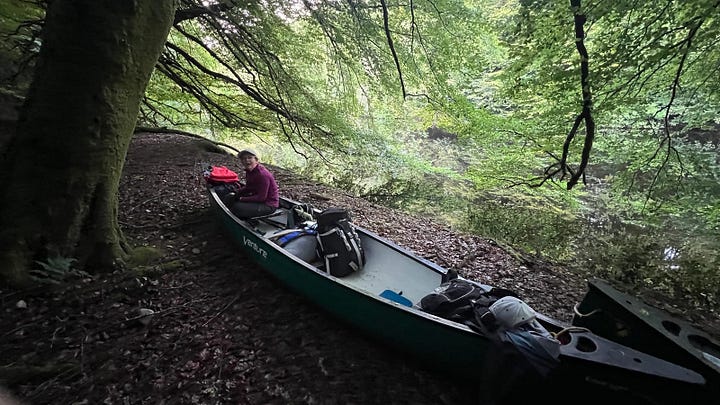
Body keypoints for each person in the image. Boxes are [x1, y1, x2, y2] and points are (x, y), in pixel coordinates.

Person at [226, 148, 279, 218]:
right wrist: (236, 194)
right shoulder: (249, 171)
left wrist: (242, 199)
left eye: (250, 158)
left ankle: (246, 221)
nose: (247, 160)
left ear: (256, 160)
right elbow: (248, 187)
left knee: (237, 207)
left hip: (268, 205)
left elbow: (261, 198)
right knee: (229, 197)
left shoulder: (262, 175)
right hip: (259, 199)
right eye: (244, 159)